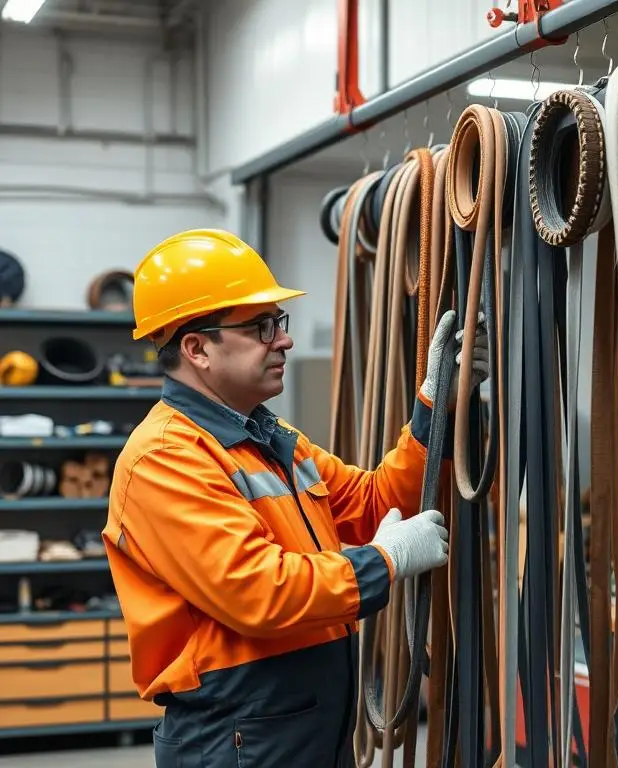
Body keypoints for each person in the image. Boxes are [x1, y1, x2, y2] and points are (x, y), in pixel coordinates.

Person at [101, 228, 488, 768]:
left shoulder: (269, 439)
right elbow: (258, 591)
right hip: (238, 736)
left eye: (278, 323)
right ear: (197, 349)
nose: (282, 340)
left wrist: (436, 403)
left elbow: (378, 502)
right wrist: (386, 560)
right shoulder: (165, 459)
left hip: (303, 721)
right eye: (261, 327)